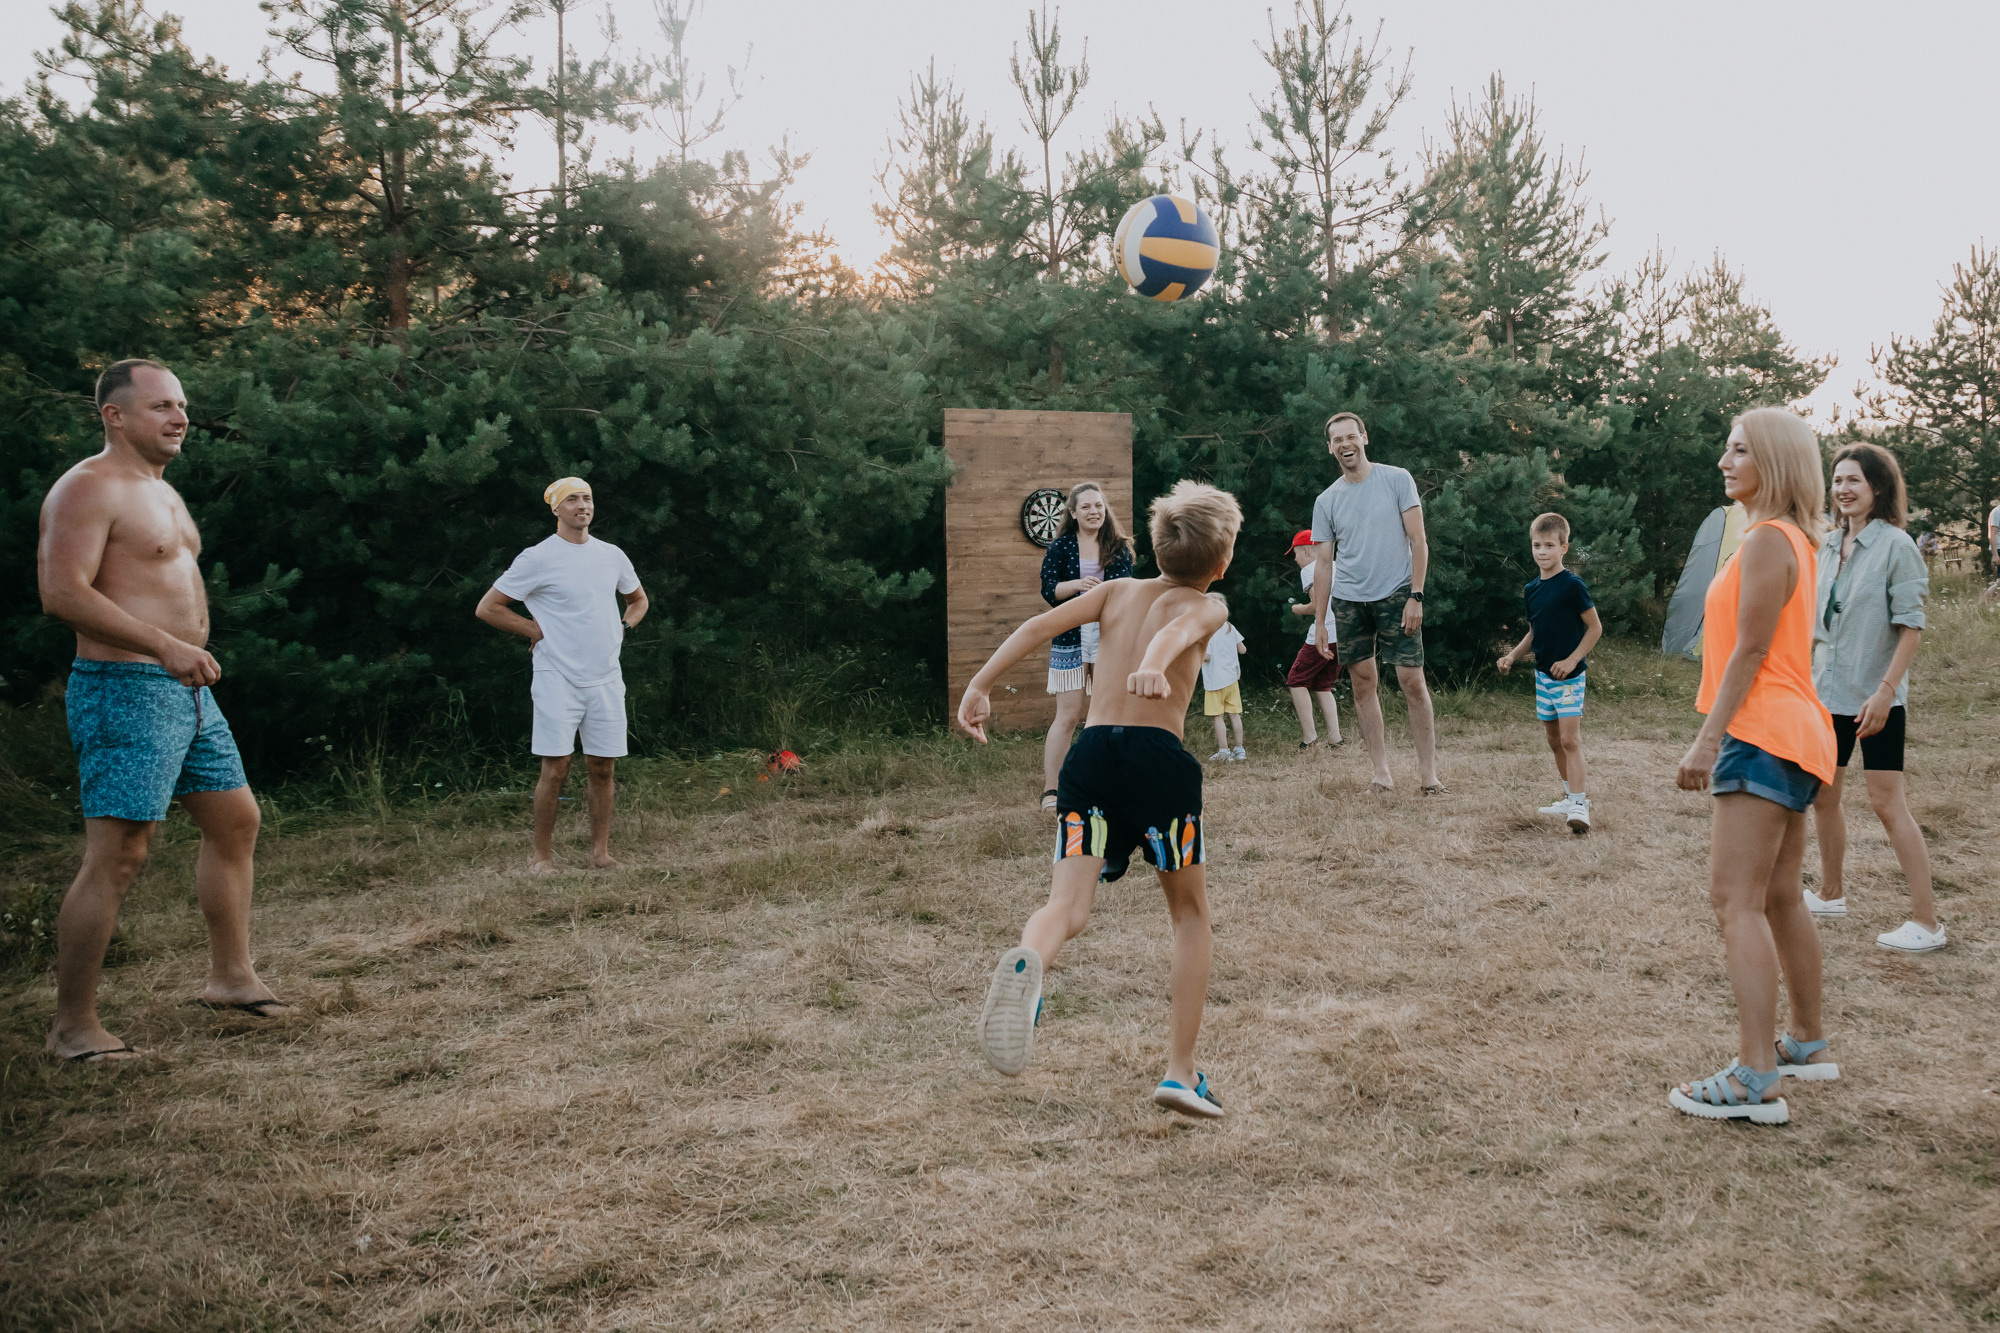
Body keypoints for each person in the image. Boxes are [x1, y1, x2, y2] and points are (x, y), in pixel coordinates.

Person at [959, 480, 1242, 1119]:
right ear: (1221, 563)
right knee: (1189, 915)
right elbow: (1186, 624)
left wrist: (979, 685)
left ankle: (1032, 961)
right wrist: (1156, 660)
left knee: (1066, 903)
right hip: (1154, 761)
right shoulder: (1211, 603)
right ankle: (1180, 1072)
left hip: (1089, 757)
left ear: (1152, 546)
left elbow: (1038, 624)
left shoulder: (1114, 589)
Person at [36, 359, 286, 1065]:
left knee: (236, 821)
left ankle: (231, 978)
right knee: (119, 853)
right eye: (160, 406)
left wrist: (179, 655)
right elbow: (62, 592)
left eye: (180, 404)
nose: (179, 417)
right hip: (126, 686)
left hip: (187, 689)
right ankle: (73, 1026)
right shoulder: (88, 487)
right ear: (114, 415)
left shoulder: (159, 491)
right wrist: (162, 644)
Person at [1671, 407, 1839, 1125]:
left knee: (1734, 900)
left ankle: (1754, 1076)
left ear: (1772, 460)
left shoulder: (1771, 540)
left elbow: (1750, 652)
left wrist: (1708, 741)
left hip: (1764, 731)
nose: (1723, 460)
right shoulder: (1786, 538)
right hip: (1796, 732)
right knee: (1779, 895)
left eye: (1738, 449)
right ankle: (1805, 1041)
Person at [1807, 443, 1943, 952]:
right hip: (1826, 695)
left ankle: (1927, 923)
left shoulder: (1896, 546)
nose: (1843, 489)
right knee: (1824, 795)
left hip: (1876, 699)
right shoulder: (1825, 544)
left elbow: (1911, 627)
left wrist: (1886, 693)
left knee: (1888, 805)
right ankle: (1830, 893)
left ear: (1878, 488)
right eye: (1838, 480)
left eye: (1854, 481)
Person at [476, 477, 648, 874]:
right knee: (556, 768)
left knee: (603, 767)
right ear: (555, 509)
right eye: (572, 499)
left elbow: (638, 599)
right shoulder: (537, 558)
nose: (582, 506)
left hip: (605, 677)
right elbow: (489, 608)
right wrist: (535, 631)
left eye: (587, 498)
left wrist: (624, 626)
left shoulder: (611, 555)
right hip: (558, 677)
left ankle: (600, 855)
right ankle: (541, 859)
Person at [1309, 412, 1443, 794]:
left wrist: (1416, 595)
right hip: (1349, 601)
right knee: (1363, 683)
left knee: (1411, 680)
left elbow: (1418, 541)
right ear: (1330, 447)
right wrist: (1320, 621)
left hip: (1398, 593)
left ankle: (1428, 777)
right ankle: (1381, 775)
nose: (1345, 445)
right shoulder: (1327, 499)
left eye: (1351, 436)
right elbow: (1323, 563)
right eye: (1337, 440)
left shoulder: (1397, 479)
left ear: (1364, 438)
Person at [1496, 513, 1603, 833]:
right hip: (1543, 676)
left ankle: (1581, 806)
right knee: (1554, 739)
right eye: (1536, 545)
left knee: (1570, 739)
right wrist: (1514, 655)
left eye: (1549, 545)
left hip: (1569, 678)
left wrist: (1572, 660)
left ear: (1563, 548)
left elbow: (1595, 628)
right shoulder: (1531, 590)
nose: (1542, 551)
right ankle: (1570, 797)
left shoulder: (1572, 585)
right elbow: (1535, 632)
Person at [1037, 482, 1135, 812]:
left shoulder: (1118, 547)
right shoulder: (1061, 547)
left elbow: (1126, 592)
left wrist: (1103, 593)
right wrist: (1079, 585)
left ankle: (1100, 786)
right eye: (1087, 507)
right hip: (1071, 637)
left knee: (1104, 715)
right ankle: (1052, 790)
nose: (1094, 511)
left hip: (1108, 637)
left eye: (1099, 506)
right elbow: (1049, 591)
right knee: (1067, 717)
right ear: (1073, 513)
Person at [1284, 530, 1344, 750]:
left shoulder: (1310, 569)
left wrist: (1298, 609)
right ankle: (1335, 739)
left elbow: (1318, 603)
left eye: (1296, 554)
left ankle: (1310, 739)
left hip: (1324, 633)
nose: (1296, 559)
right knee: (1322, 683)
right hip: (1343, 633)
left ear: (1307, 550)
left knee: (1296, 679)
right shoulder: (1337, 566)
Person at [1200, 591, 1247, 761]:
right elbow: (1243, 649)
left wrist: (1193, 653)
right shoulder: (1229, 627)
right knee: (1234, 715)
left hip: (1215, 681)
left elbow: (1207, 657)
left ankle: (1224, 751)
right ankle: (1240, 749)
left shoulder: (1207, 631)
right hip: (1231, 679)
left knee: (1218, 717)